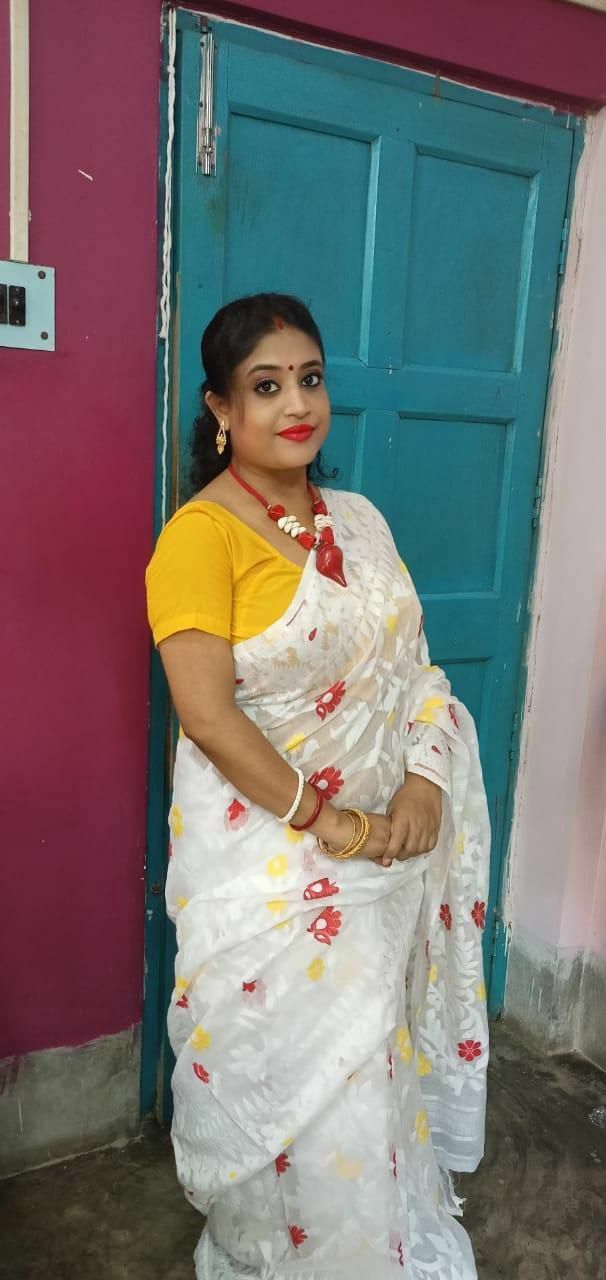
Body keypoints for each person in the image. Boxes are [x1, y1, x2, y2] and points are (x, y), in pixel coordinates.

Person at [145, 293, 490, 1280]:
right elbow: (207, 716)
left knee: (370, 1073)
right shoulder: (200, 539)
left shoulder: (361, 521)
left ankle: (374, 1245)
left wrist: (423, 781)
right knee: (288, 1082)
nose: (296, 403)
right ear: (220, 409)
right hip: (273, 871)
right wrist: (333, 822)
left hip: (383, 856)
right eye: (266, 386)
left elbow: (415, 667)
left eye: (310, 378)